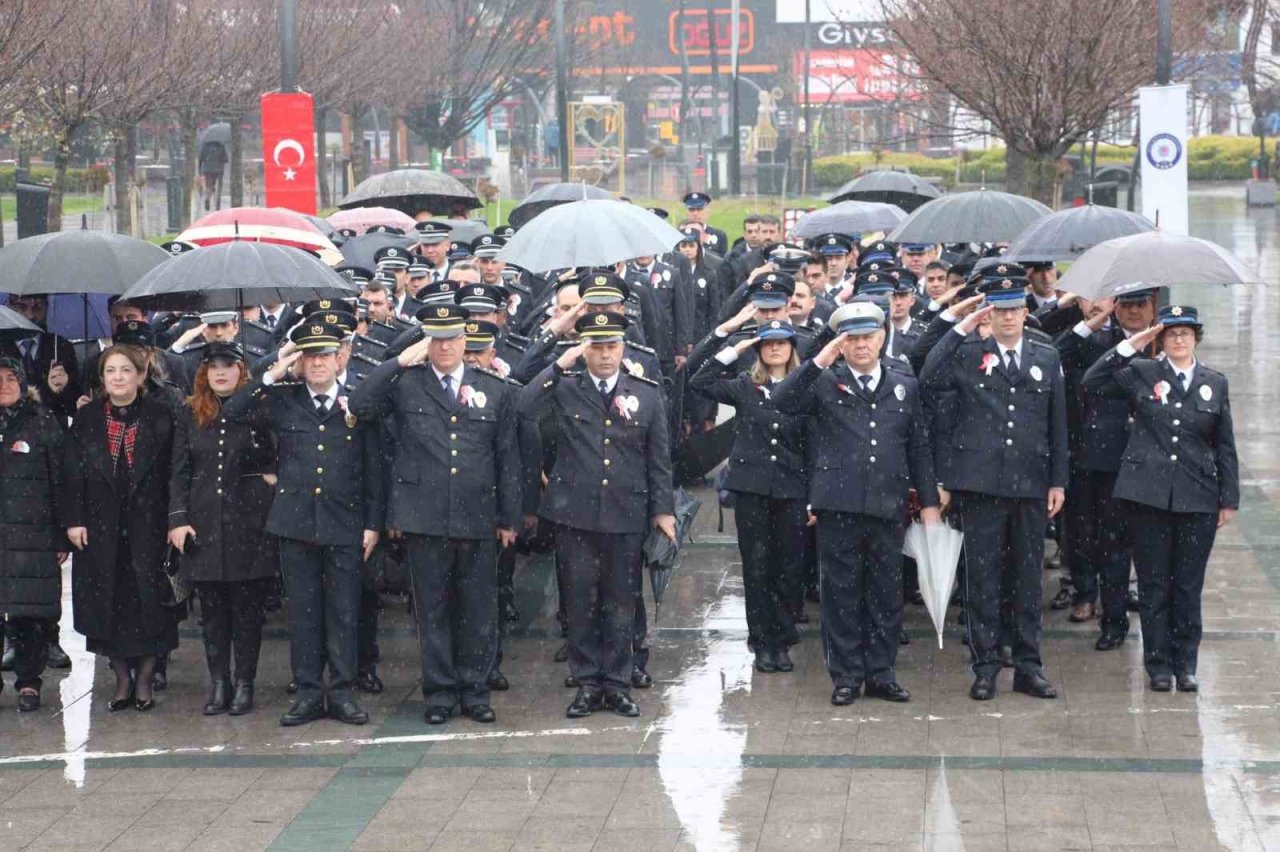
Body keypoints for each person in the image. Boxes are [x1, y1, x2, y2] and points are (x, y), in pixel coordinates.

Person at [349, 305, 521, 726]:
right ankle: (440, 691)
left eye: (452, 338)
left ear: (466, 341)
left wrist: (509, 518)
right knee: (433, 609)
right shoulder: (407, 384)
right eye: (436, 339)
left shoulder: (494, 389)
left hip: (478, 514)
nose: (445, 346)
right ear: (427, 342)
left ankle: (475, 690)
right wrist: (400, 359)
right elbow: (361, 402)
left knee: (478, 609)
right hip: (424, 517)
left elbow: (507, 458)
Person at [774, 303, 940, 704]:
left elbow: (917, 445)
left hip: (888, 502)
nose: (861, 345)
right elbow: (782, 400)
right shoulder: (824, 381)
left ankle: (882, 672)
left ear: (882, 338)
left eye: (868, 337)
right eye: (852, 338)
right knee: (841, 593)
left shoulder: (904, 383)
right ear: (840, 344)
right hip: (839, 504)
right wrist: (819, 361)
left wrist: (930, 502)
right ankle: (846, 675)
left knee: (886, 592)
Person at [222, 323, 384, 727]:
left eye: (324, 355)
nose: (317, 363)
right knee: (304, 613)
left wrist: (374, 523)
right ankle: (309, 692)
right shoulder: (283, 400)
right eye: (309, 356)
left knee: (344, 610)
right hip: (295, 523)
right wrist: (275, 371)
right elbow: (233, 410)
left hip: (345, 521)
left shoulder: (356, 403)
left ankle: (343, 692)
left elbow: (375, 467)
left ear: (339, 358)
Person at [919, 275, 1068, 702]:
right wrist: (963, 326)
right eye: (998, 311)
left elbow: (1057, 422)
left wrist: (1058, 479)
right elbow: (928, 376)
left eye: (1013, 310)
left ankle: (1027, 666)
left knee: (1027, 580)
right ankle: (984, 667)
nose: (1006, 318)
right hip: (981, 484)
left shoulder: (1045, 354)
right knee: (982, 579)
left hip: (1030, 484)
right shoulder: (968, 353)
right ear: (989, 313)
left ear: (1025, 312)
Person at [519, 313, 675, 718]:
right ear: (584, 348)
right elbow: (523, 405)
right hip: (575, 515)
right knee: (580, 600)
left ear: (623, 348)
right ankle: (587, 682)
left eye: (611, 346)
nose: (604, 355)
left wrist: (663, 512)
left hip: (626, 512)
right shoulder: (566, 387)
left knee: (622, 601)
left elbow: (659, 458)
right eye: (596, 346)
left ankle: (619, 683)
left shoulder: (646, 392)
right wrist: (561, 362)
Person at [1081, 305, 1238, 693]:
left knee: (1187, 586)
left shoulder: (1213, 382)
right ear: (1161, 339)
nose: (1179, 339)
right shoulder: (1142, 373)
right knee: (1153, 586)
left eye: (1186, 333)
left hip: (1197, 496)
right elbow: (1092, 380)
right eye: (1171, 334)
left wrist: (1229, 498)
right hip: (1148, 497)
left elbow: (1224, 444)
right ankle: (1159, 666)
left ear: (1196, 338)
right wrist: (1133, 344)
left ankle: (1186, 664)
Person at [64, 345, 178, 712]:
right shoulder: (85, 419)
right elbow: (73, 474)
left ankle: (145, 678)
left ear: (141, 375)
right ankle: (121, 678)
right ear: (102, 377)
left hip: (150, 524)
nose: (117, 377)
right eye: (110, 370)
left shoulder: (162, 416)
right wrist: (74, 519)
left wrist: (174, 518)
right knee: (107, 602)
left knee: (148, 602)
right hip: (100, 527)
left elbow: (175, 472)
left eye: (125, 370)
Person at [689, 321, 806, 673]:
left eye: (781, 344)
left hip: (791, 488)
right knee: (757, 567)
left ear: (791, 348)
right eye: (767, 344)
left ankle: (783, 638)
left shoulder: (805, 386)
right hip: (752, 488)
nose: (774, 349)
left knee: (789, 567)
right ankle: (762, 642)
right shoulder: (745, 386)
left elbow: (814, 441)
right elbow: (700, 381)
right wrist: (736, 348)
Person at [168, 342, 277, 716]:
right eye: (213, 366)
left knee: (247, 610)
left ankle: (245, 682)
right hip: (204, 521)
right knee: (212, 611)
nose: (220, 372)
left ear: (241, 371)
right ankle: (219, 682)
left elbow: (272, 457)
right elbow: (180, 469)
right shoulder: (190, 411)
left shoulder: (259, 407)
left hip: (248, 520)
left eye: (228, 365)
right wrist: (178, 518)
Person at [1056, 290, 1157, 645]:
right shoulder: (1102, 341)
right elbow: (1064, 358)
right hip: (1107, 457)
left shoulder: (1167, 343)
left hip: (1155, 461)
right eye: (1125, 304)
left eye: (1140, 304)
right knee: (1107, 541)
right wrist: (1093, 322)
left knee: (1151, 549)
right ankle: (1112, 622)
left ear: (1152, 307)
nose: (1132, 312)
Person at [0, 358, 68, 712]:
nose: (4, 385)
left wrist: (61, 534)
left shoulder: (42, 422)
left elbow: (62, 480)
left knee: (32, 614)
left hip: (34, 535)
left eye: (11, 378)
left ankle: (28, 681)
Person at [682, 191, 728, 256]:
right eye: (691, 210)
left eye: (699, 209)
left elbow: (723, 262)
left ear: (707, 212)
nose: (695, 213)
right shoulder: (679, 235)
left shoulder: (719, 235)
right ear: (686, 213)